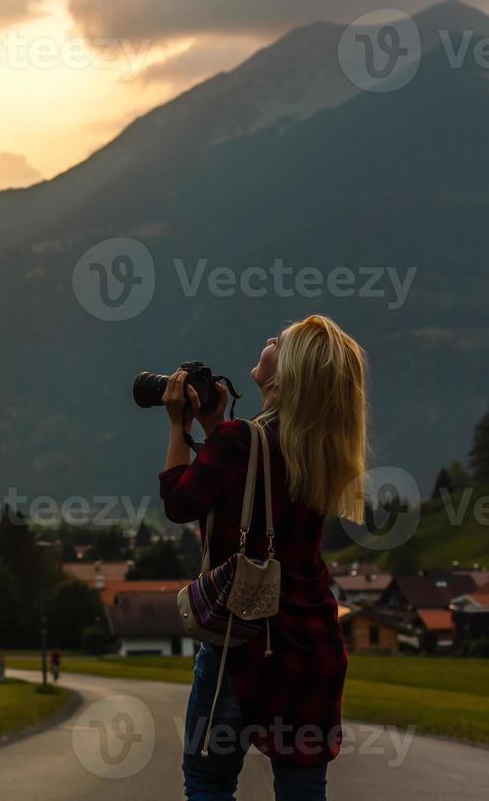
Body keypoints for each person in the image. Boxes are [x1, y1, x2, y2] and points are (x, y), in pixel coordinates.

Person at [157, 315, 367, 801]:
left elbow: (180, 502)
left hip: (245, 638)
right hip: (313, 645)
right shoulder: (324, 451)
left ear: (285, 375)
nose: (269, 339)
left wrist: (178, 426)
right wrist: (215, 425)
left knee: (209, 780)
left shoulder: (239, 442)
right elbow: (256, 480)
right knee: (302, 788)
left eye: (281, 341)